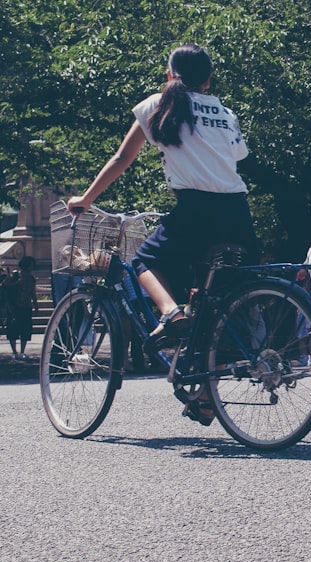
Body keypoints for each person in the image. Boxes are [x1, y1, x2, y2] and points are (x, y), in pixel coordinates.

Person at [67, 44, 259, 357]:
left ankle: (171, 313)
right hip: (237, 211)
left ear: (169, 75)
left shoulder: (159, 105)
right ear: (209, 80)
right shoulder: (227, 114)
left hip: (196, 208)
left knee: (144, 261)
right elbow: (237, 156)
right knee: (219, 308)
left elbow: (121, 158)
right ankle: (207, 404)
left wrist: (86, 199)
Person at [6, 257, 39, 359]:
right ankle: (14, 351)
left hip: (26, 306)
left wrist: (36, 305)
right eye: (30, 265)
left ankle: (22, 351)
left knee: (25, 329)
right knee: (13, 329)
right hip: (14, 306)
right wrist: (17, 283)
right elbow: (6, 287)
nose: (32, 267)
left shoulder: (31, 278)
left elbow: (33, 293)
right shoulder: (15, 275)